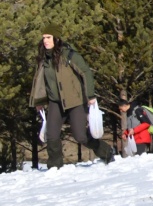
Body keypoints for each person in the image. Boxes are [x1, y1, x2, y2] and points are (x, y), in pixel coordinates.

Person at [30, 29, 114, 166]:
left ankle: (106, 151)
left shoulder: (69, 55)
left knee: (80, 136)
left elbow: (86, 72)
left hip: (75, 101)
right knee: (51, 135)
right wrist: (38, 101)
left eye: (48, 37)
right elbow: (40, 82)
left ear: (56, 38)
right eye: (44, 37)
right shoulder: (44, 59)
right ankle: (55, 167)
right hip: (55, 102)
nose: (45, 40)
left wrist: (90, 95)